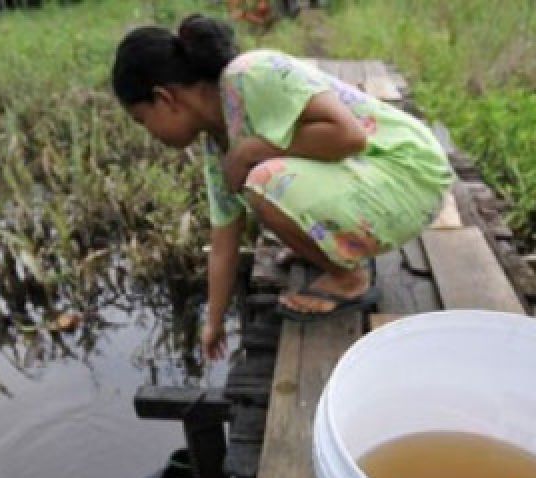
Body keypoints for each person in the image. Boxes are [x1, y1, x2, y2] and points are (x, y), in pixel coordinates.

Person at [112, 14, 453, 360]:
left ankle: (349, 280)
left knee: (264, 181)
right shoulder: (217, 144)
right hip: (376, 183)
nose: (149, 133)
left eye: (143, 120)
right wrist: (213, 323)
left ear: (165, 98)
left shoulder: (251, 74)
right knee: (259, 182)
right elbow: (223, 240)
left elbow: (349, 136)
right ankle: (326, 251)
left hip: (411, 174)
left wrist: (251, 150)